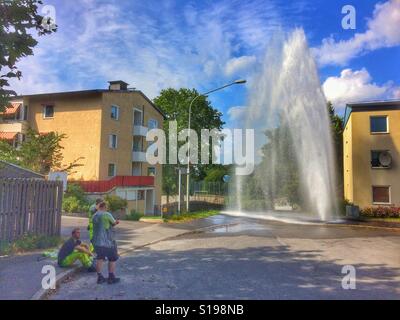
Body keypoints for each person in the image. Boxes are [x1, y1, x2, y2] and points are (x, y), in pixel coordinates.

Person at [92, 202, 120, 284]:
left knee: (99, 258)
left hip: (96, 242)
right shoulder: (106, 214)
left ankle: (99, 277)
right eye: (106, 207)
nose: (107, 209)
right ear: (104, 207)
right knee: (112, 258)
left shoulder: (94, 216)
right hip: (107, 241)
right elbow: (113, 223)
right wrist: (117, 222)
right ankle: (111, 277)